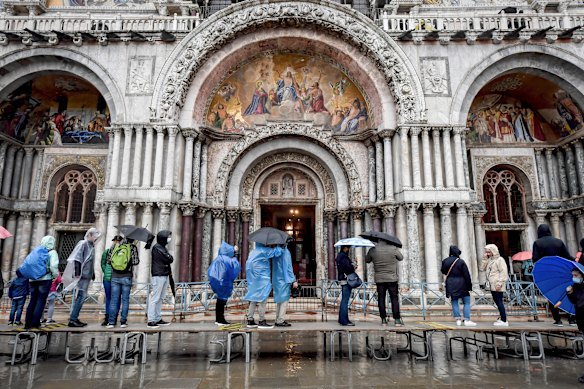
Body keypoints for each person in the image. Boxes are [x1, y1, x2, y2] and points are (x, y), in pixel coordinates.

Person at [532, 223, 574, 326]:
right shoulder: (559, 242)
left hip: (548, 272)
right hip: (561, 271)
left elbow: (536, 259)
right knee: (567, 294)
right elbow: (567, 256)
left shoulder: (538, 243)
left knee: (552, 295)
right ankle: (571, 319)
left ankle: (558, 319)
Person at [66, 228, 101, 327]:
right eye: (94, 237)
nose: (95, 239)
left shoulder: (91, 246)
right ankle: (73, 319)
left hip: (87, 275)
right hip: (81, 275)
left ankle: (74, 317)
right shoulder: (83, 243)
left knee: (81, 297)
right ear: (89, 235)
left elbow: (89, 260)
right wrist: (77, 272)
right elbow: (77, 258)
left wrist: (92, 273)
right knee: (81, 296)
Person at [22, 236, 59, 330]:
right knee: (41, 301)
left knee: (32, 300)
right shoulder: (52, 252)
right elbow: (54, 266)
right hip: (45, 279)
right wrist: (54, 276)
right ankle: (35, 323)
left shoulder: (36, 251)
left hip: (33, 279)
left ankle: (27, 323)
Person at [366, 239, 404, 326]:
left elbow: (367, 260)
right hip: (392, 278)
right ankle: (397, 320)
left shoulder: (373, 249)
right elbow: (401, 258)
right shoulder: (393, 248)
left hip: (380, 279)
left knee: (381, 298)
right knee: (394, 299)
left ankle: (383, 319)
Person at [244, 243, 283, 329]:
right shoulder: (264, 250)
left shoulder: (253, 252)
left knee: (253, 299)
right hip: (262, 279)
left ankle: (250, 319)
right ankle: (261, 321)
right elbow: (276, 253)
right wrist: (280, 246)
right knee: (263, 300)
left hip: (253, 279)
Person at [108, 237, 140, 328]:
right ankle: (123, 322)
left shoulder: (115, 246)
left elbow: (109, 260)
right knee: (125, 300)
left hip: (115, 276)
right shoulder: (132, 247)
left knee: (114, 300)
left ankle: (111, 322)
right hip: (127, 276)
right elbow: (136, 261)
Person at [441, 245, 476, 327]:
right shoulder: (461, 261)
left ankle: (458, 320)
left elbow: (443, 271)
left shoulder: (445, 261)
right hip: (462, 283)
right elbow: (466, 274)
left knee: (454, 301)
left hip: (451, 283)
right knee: (466, 302)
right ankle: (466, 319)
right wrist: (469, 286)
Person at [208, 241, 241, 326]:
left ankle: (219, 319)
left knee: (219, 302)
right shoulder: (226, 259)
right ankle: (220, 319)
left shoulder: (218, 258)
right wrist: (236, 254)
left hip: (218, 283)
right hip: (223, 284)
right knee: (221, 303)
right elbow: (235, 267)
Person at [147, 230, 173, 329]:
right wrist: (169, 256)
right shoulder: (157, 248)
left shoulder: (162, 247)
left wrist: (169, 256)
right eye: (167, 237)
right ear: (163, 238)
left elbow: (169, 258)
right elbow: (170, 259)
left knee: (161, 298)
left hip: (164, 274)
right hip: (158, 275)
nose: (169, 238)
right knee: (155, 298)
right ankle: (151, 320)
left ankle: (157, 318)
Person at [481, 244, 509, 326]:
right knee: (497, 301)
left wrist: (500, 283)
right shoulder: (490, 260)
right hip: (492, 284)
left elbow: (503, 272)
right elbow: (482, 268)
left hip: (497, 283)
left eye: (489, 252)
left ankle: (504, 320)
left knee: (499, 301)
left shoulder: (500, 260)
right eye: (486, 252)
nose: (487, 254)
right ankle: (501, 318)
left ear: (493, 251)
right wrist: (484, 258)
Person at [272, 245, 298, 327]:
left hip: (276, 279)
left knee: (280, 300)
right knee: (284, 301)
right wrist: (293, 280)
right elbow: (288, 268)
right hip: (284, 279)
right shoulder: (285, 252)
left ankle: (277, 319)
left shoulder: (274, 251)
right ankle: (280, 320)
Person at [566, 268, 584, 383]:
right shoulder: (575, 286)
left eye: (576, 275)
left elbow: (581, 302)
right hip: (582, 319)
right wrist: (570, 294)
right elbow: (575, 301)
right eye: (573, 275)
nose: (574, 277)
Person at [100, 235, 122, 326]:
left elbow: (103, 264)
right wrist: (106, 271)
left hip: (109, 278)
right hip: (113, 278)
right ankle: (111, 317)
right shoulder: (111, 251)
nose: (116, 243)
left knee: (110, 298)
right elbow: (103, 263)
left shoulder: (117, 252)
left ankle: (109, 318)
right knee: (114, 298)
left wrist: (106, 271)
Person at [336, 245, 357, 326]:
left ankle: (342, 319)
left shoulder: (339, 256)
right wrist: (353, 265)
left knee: (344, 301)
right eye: (348, 248)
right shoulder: (343, 257)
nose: (348, 249)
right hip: (346, 280)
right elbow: (348, 268)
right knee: (345, 301)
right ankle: (344, 321)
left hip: (343, 279)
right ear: (344, 248)